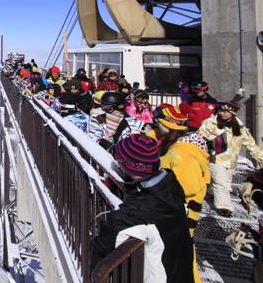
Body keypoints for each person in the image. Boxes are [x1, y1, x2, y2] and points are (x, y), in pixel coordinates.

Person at [91, 134, 194, 282]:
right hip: (182, 272)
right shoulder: (170, 186)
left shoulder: (139, 210)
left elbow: (105, 242)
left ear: (126, 165)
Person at [161, 104, 212, 283]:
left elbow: (187, 188)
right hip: (177, 212)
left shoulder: (181, 153)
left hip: (182, 213)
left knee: (181, 255)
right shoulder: (176, 147)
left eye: (157, 123)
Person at [199, 95, 263, 216]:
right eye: (221, 110)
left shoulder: (240, 128)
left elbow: (251, 145)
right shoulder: (210, 123)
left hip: (231, 162)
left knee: (222, 184)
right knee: (222, 184)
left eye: (225, 111)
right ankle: (224, 209)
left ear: (232, 113)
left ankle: (210, 193)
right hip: (215, 160)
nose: (222, 113)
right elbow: (200, 138)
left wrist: (260, 159)